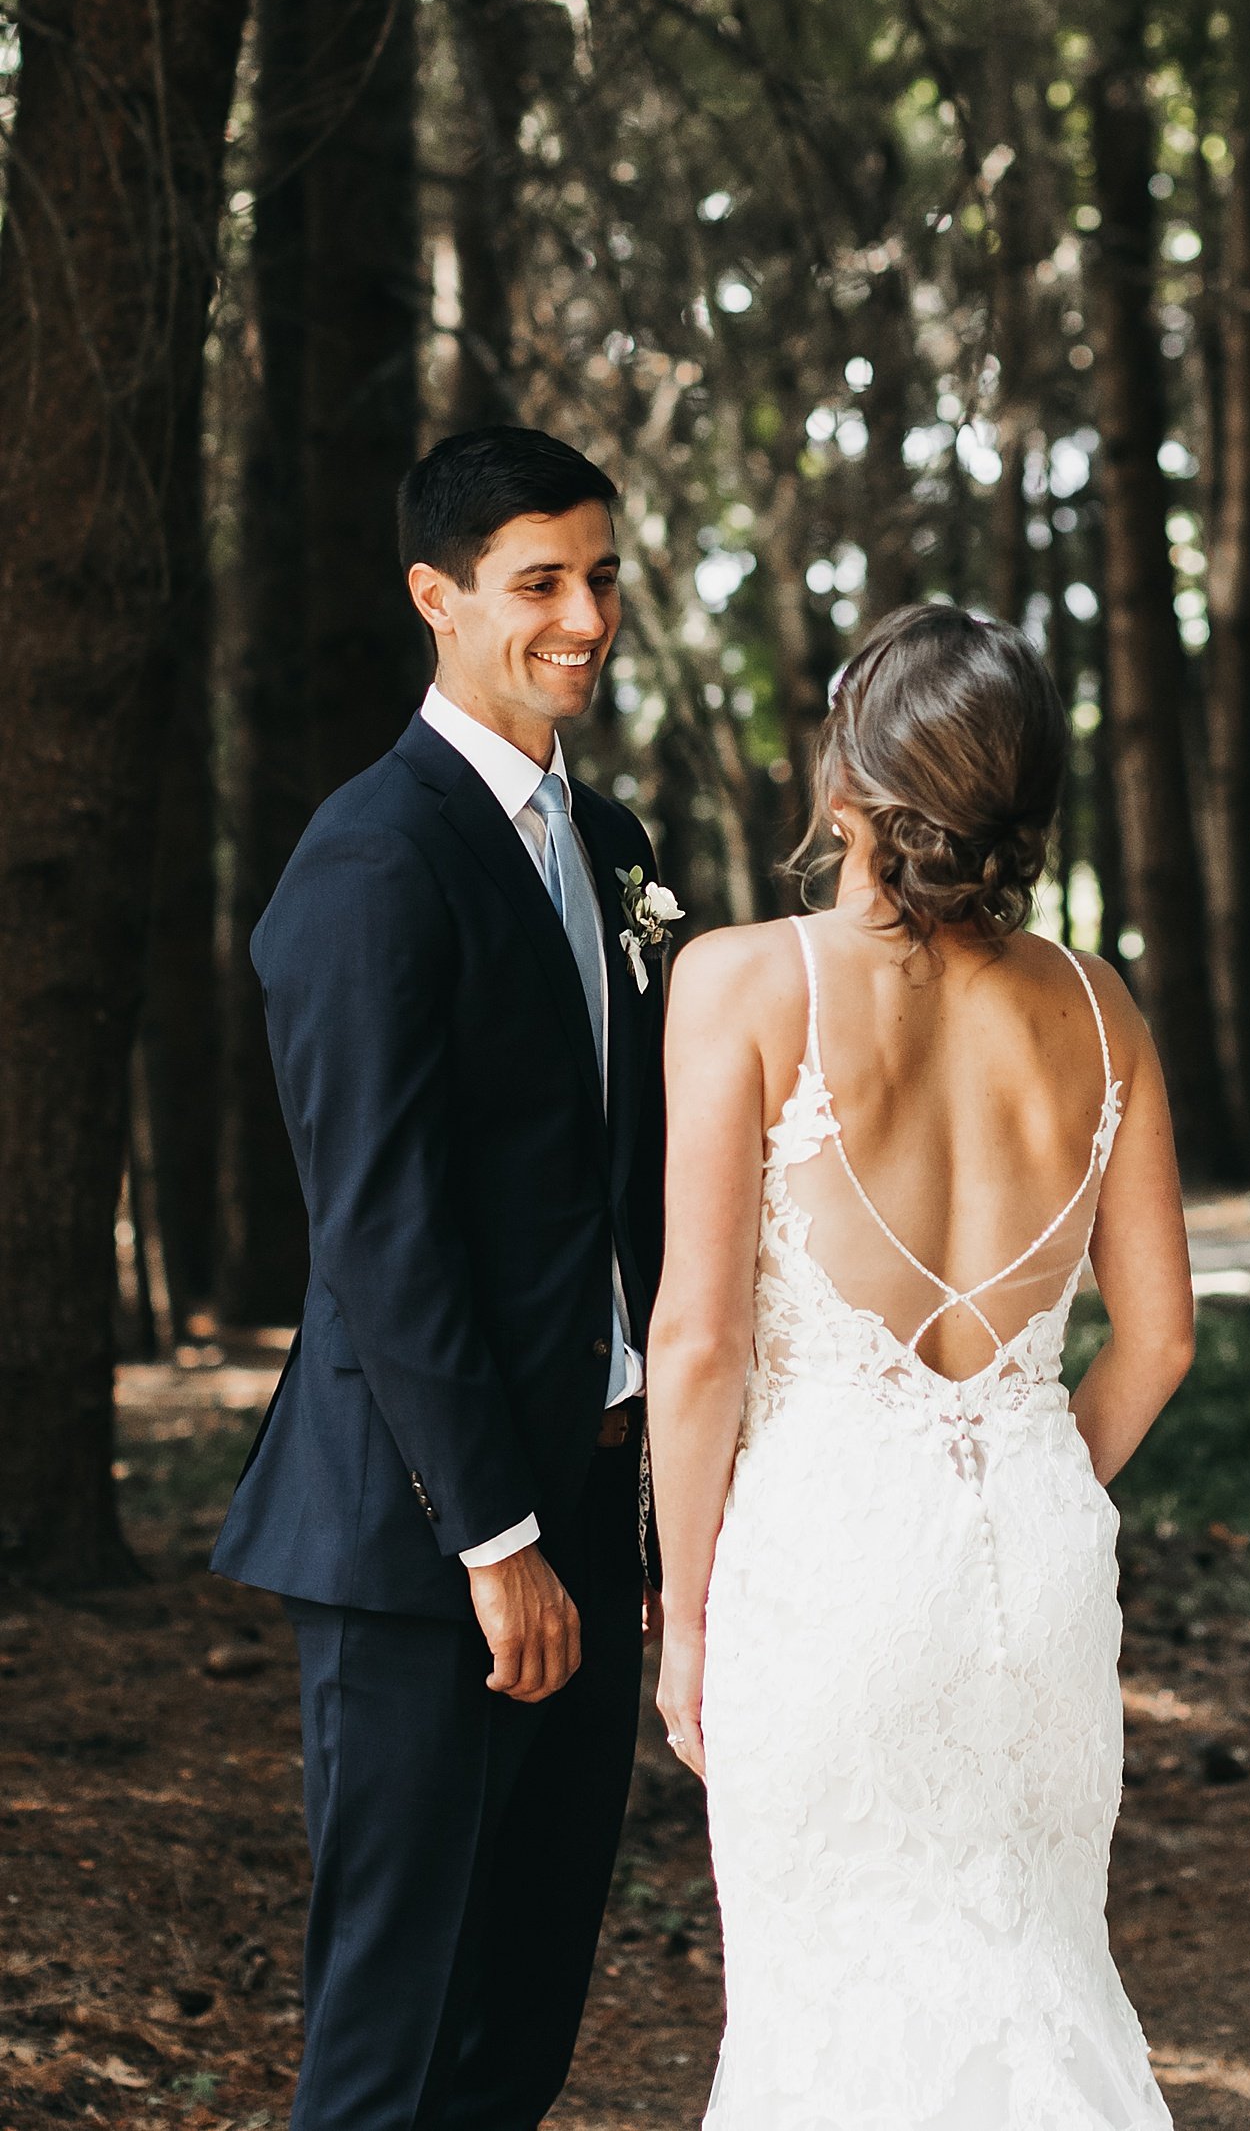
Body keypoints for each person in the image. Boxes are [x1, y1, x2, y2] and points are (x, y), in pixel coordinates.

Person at [649, 604, 1194, 2129]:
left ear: (849, 785)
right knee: (1042, 1977)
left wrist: (685, 1616)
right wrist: (1021, 1473)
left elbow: (697, 1342)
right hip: (1032, 1560)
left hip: (822, 1566)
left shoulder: (742, 980)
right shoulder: (1102, 1010)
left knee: (825, 2013)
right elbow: (1157, 1339)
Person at [212, 425, 669, 2131]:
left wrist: (638, 1514)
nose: (585, 618)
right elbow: (381, 1232)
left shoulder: (611, 843)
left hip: (591, 1498)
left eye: (603, 577)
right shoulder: (368, 858)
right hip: (428, 1546)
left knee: (522, 2013)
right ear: (438, 597)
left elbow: (627, 1189)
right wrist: (497, 1542)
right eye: (539, 581)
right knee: (395, 2042)